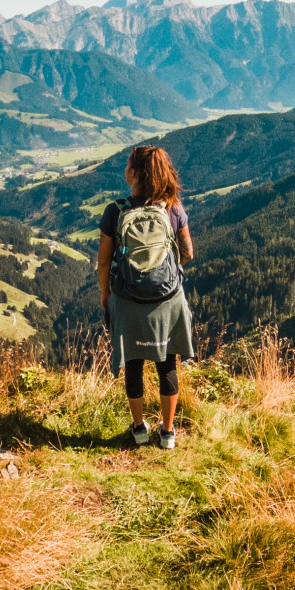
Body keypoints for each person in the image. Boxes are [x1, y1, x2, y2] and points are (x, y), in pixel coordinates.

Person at [98, 145, 194, 450]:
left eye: (128, 164)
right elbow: (189, 253)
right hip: (167, 301)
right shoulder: (173, 208)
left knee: (135, 364)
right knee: (167, 365)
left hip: (128, 301)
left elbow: (103, 262)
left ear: (134, 173)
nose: (125, 168)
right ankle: (167, 434)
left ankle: (139, 429)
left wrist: (106, 293)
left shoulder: (116, 211)